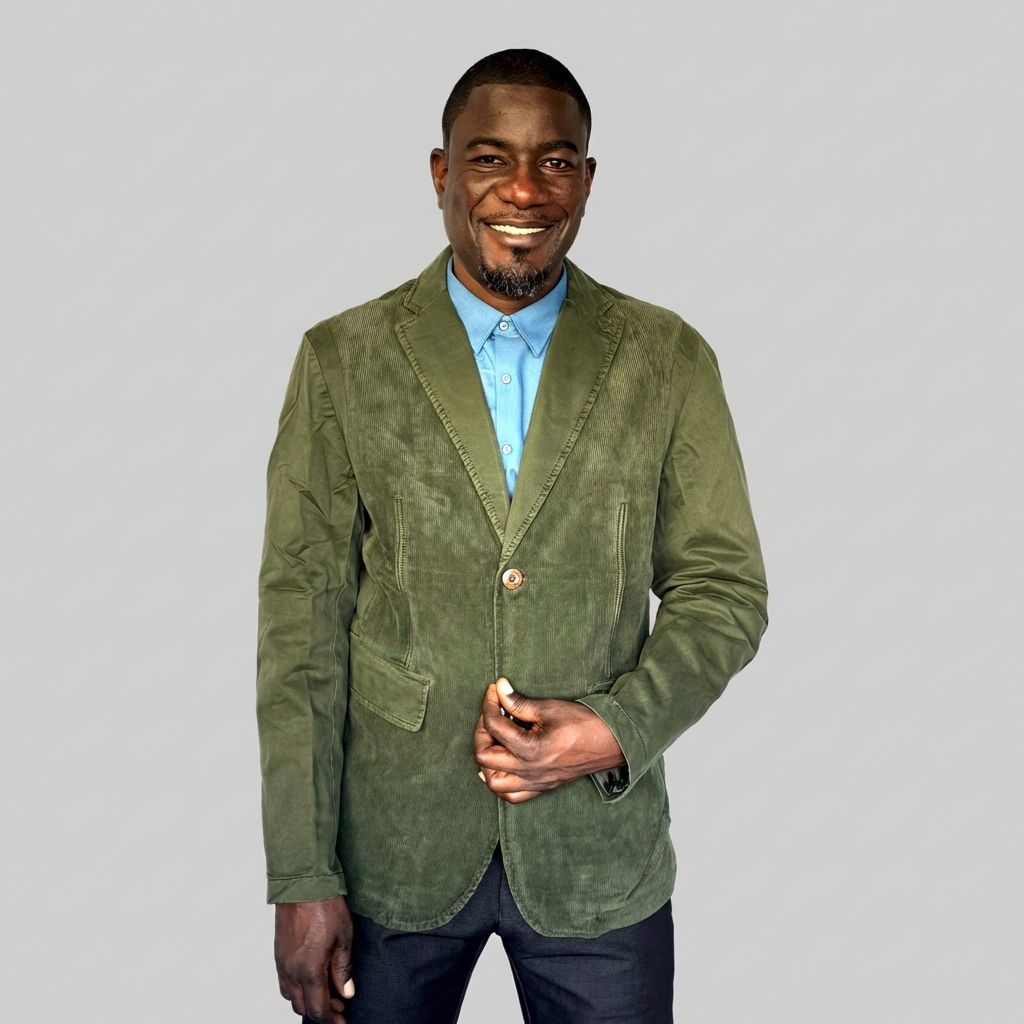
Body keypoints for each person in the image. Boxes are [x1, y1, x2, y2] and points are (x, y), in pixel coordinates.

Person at [256, 48, 768, 1024]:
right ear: (441, 172)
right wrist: (301, 871)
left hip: (597, 860)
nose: (526, 189)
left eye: (556, 160)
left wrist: (615, 728)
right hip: (391, 851)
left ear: (588, 178)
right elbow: (301, 629)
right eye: (491, 158)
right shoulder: (342, 359)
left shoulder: (666, 358)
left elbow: (723, 590)